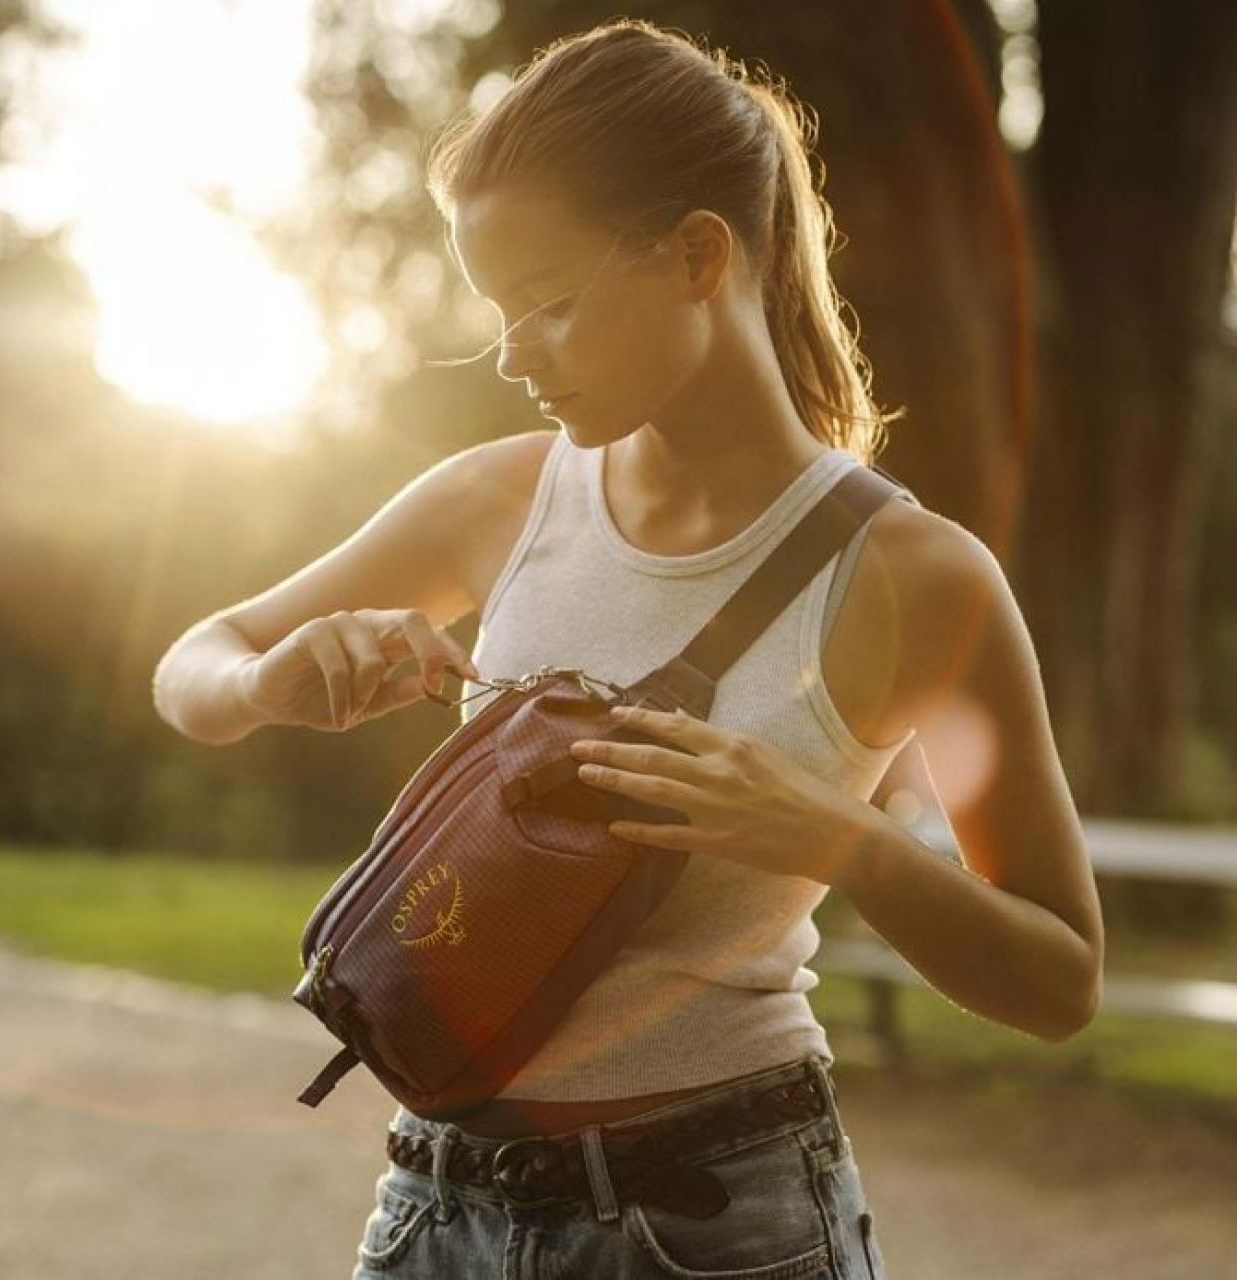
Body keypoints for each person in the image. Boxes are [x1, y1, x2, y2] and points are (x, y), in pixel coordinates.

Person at [152, 18, 1104, 1279]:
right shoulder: (499, 499)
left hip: (720, 1225)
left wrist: (841, 839)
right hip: (436, 1210)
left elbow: (1058, 979)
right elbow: (194, 665)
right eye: (498, 311)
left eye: (548, 302)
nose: (512, 354)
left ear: (698, 254)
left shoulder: (917, 578)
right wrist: (266, 679)